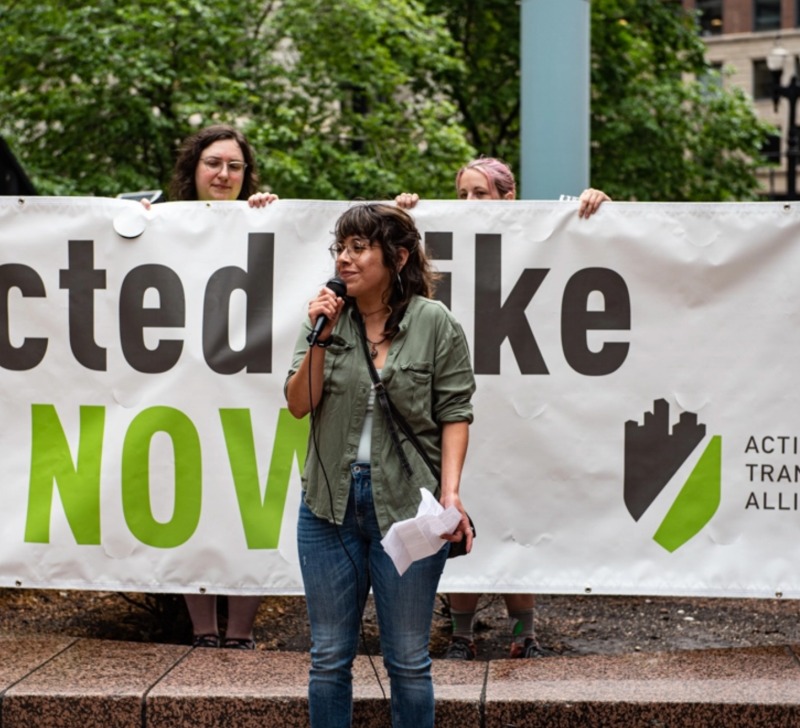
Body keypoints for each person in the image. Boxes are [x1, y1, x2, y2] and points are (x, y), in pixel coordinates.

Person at [396, 157, 610, 661]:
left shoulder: (537, 233)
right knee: (459, 515)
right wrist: (403, 212)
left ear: (507, 198)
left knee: (518, 518)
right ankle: (462, 635)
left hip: (520, 411)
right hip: (455, 406)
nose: (469, 203)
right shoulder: (440, 243)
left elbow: (610, 243)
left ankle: (524, 634)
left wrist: (601, 206)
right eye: (462, 194)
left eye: (481, 194)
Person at [286, 203, 476, 728]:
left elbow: (455, 413)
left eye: (358, 248)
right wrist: (321, 336)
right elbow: (298, 403)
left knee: (408, 661)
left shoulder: (434, 322)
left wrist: (451, 494)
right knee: (328, 658)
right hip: (328, 509)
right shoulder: (324, 320)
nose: (344, 259)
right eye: (339, 248)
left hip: (408, 508)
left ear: (398, 257)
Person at [161, 124, 277, 649]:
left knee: (248, 503)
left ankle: (240, 635)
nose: (224, 174)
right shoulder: (165, 224)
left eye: (234, 165)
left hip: (249, 387)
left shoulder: (265, 219)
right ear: (194, 169)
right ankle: (204, 633)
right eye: (213, 163)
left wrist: (275, 216)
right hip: (183, 387)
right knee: (190, 496)